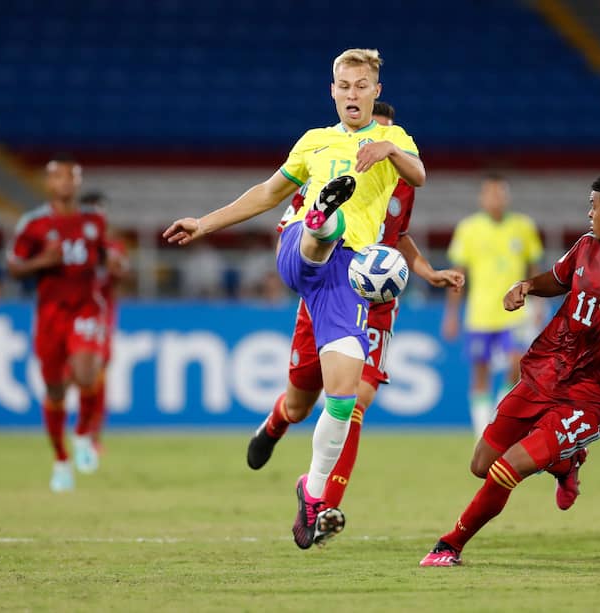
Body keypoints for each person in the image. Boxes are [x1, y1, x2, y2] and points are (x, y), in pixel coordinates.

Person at [163, 49, 425, 549]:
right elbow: (265, 193)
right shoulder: (315, 142)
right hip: (301, 252)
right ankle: (323, 215)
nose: (352, 93)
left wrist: (389, 152)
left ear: (375, 92)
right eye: (343, 85)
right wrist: (205, 222)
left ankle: (312, 491)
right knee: (321, 228)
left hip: (345, 282)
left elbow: (419, 176)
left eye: (360, 85)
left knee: (338, 398)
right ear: (332, 90)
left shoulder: (394, 140)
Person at [420, 169, 600, 567]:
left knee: (508, 469)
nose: (588, 213)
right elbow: (558, 279)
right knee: (482, 465)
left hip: (589, 396)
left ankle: (449, 545)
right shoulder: (586, 246)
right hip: (545, 374)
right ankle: (564, 462)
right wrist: (526, 286)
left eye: (593, 206)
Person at [246, 101, 464, 514]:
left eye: (384, 138)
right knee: (299, 405)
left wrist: (427, 271)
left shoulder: (401, 180)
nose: (374, 146)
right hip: (328, 293)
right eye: (371, 137)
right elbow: (292, 225)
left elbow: (397, 236)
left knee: (354, 400)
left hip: (378, 301)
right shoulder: (328, 172)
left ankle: (323, 506)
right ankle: (275, 424)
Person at [6, 155, 108, 492]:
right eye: (59, 177)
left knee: (86, 374)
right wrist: (42, 261)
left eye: (71, 177)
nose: (65, 183)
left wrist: (117, 265)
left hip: (86, 307)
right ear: (48, 183)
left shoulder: (94, 221)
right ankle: (61, 459)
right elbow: (14, 266)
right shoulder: (33, 224)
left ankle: (81, 435)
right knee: (54, 390)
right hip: (50, 314)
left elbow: (107, 259)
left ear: (78, 182)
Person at [441, 174, 544, 437]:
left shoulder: (523, 226)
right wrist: (451, 314)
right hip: (480, 313)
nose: (496, 199)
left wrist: (539, 303)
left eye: (500, 194)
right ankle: (481, 434)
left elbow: (534, 267)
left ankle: (499, 419)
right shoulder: (468, 228)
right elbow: (457, 274)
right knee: (480, 372)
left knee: (517, 365)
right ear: (482, 198)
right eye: (491, 194)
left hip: (515, 313)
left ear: (507, 197)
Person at [79, 190, 130, 451]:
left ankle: (91, 436)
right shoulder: (71, 244)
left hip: (100, 319)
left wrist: (108, 260)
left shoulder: (113, 246)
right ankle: (80, 431)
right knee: (73, 376)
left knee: (96, 377)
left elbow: (121, 274)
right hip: (70, 316)